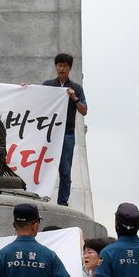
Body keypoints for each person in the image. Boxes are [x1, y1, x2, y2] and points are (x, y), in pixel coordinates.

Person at [42, 52, 87, 206]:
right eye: (59, 65)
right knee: (43, 167)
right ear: (56, 67)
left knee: (65, 170)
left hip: (67, 134)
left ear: (70, 68)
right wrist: (25, 89)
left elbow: (84, 110)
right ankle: (40, 196)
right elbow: (35, 99)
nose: (62, 69)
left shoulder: (76, 88)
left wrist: (74, 99)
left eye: (65, 66)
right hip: (49, 132)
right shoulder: (47, 85)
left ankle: (63, 203)